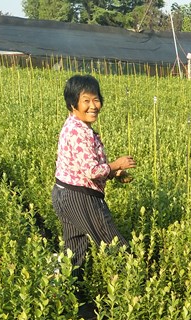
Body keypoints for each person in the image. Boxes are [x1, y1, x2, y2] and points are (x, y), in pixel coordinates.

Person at [51, 74, 136, 277]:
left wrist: (113, 173)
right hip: (81, 198)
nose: (93, 106)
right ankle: (135, 284)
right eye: (86, 101)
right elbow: (91, 170)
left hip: (64, 194)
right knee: (113, 244)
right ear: (73, 104)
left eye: (96, 99)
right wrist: (116, 164)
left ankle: (60, 291)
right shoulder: (79, 132)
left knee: (74, 250)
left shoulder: (73, 126)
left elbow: (87, 168)